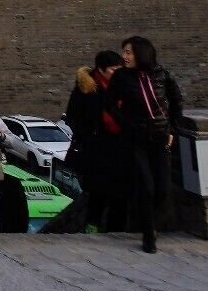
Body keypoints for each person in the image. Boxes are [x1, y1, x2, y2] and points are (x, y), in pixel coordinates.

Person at [106, 34, 183, 252]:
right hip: (134, 140)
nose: (124, 56)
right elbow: (109, 104)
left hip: (159, 139)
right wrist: (126, 124)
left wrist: (172, 130)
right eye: (124, 52)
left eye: (128, 52)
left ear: (141, 53)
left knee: (163, 189)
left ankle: (150, 223)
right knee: (146, 187)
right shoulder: (121, 77)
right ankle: (149, 234)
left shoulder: (161, 75)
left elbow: (176, 101)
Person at [61, 49, 122, 232]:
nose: (117, 73)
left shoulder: (121, 86)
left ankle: (114, 229)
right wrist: (88, 136)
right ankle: (92, 226)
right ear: (101, 69)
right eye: (113, 69)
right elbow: (72, 116)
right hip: (94, 148)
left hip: (117, 145)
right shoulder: (86, 88)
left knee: (118, 190)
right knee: (98, 190)